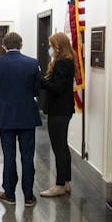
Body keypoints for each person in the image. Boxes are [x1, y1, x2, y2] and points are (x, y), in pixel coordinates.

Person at [0, 31, 42, 207]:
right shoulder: (32, 63)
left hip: (6, 116)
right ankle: (28, 196)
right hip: (27, 115)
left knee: (9, 156)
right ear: (21, 45)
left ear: (4, 46)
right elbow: (36, 90)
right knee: (27, 156)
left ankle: (9, 194)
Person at [39, 32, 78, 197]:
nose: (49, 48)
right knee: (63, 146)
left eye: (51, 45)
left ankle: (60, 185)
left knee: (58, 148)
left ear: (58, 45)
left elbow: (58, 88)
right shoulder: (68, 60)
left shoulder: (62, 62)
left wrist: (42, 81)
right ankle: (66, 182)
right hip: (65, 110)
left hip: (59, 111)